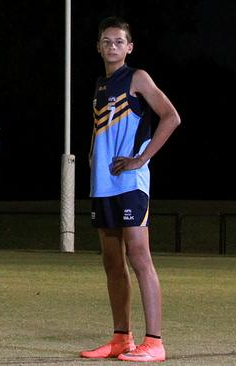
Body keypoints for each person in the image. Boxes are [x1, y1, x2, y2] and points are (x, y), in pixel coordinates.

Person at [79, 16, 180, 362]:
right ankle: (121, 338)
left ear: (129, 47)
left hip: (130, 184)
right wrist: (94, 156)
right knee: (111, 261)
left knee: (139, 257)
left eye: (119, 41)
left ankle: (155, 342)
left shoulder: (137, 77)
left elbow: (171, 116)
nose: (112, 46)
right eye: (106, 41)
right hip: (103, 185)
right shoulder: (100, 84)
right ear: (98, 47)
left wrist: (141, 159)